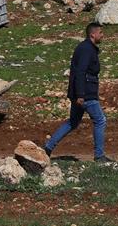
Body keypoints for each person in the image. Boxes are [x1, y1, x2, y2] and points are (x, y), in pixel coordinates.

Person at [43, 23, 112, 163]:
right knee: (100, 120)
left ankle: (48, 147)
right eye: (101, 32)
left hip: (81, 92)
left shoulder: (86, 48)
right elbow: (80, 71)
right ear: (93, 34)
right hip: (86, 93)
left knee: (73, 122)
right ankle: (99, 155)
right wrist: (81, 94)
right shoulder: (87, 49)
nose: (102, 35)